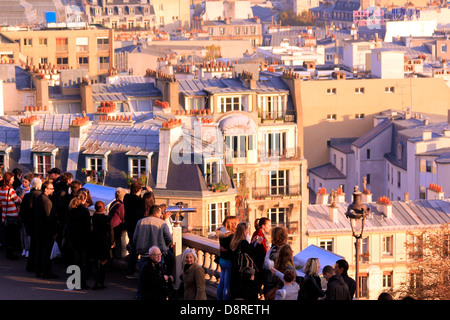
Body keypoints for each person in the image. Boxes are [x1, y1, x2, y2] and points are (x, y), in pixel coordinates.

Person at [133, 204, 172, 299]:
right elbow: (169, 238)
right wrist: (164, 247)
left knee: (142, 276)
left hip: (144, 253)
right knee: (158, 275)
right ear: (156, 213)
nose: (161, 214)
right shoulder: (162, 223)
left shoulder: (140, 222)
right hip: (158, 253)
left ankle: (140, 294)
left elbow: (135, 238)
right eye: (160, 212)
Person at [65, 191, 91, 289]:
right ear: (84, 199)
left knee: (75, 260)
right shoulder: (84, 211)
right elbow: (87, 227)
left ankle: (74, 281)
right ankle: (82, 283)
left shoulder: (71, 209)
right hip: (83, 239)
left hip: (73, 238)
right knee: (83, 262)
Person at [229, 222, 263, 299]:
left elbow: (245, 251)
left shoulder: (234, 242)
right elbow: (252, 253)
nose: (247, 232)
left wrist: (252, 243)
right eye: (247, 230)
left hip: (236, 270)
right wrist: (258, 243)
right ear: (244, 231)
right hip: (244, 270)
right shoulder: (243, 242)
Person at [33, 180, 58, 279]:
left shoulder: (39, 198)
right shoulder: (46, 201)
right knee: (46, 253)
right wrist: (54, 231)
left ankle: (39, 271)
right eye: (51, 188)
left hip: (39, 229)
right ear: (45, 189)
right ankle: (46, 272)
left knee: (40, 251)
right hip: (46, 231)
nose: (53, 190)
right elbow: (49, 218)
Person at [123, 181, 147, 278]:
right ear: (140, 190)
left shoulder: (127, 198)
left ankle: (130, 270)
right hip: (136, 226)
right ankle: (130, 271)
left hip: (129, 225)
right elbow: (143, 204)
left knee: (133, 247)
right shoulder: (138, 200)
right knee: (135, 249)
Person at [90, 201, 115, 290]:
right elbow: (111, 232)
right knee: (103, 262)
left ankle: (97, 282)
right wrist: (112, 242)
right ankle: (101, 282)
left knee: (94, 263)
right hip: (104, 242)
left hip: (94, 242)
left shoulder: (92, 218)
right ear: (103, 208)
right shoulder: (107, 219)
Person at [1, 171, 23, 260]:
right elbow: (19, 200)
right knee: (13, 236)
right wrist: (24, 193)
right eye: (13, 179)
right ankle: (12, 254)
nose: (13, 180)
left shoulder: (1, 189)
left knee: (7, 236)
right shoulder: (11, 191)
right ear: (9, 179)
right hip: (12, 216)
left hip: (4, 216)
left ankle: (8, 253)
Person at [22, 177, 42, 272]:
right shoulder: (40, 196)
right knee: (38, 245)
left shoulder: (27, 196)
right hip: (38, 224)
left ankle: (30, 265)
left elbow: (22, 211)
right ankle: (37, 265)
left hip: (29, 223)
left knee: (32, 245)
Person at [217, 215, 240, 300]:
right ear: (233, 224)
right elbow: (232, 249)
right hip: (228, 261)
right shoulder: (231, 236)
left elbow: (223, 248)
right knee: (227, 285)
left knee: (221, 283)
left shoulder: (222, 234)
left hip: (222, 260)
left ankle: (219, 298)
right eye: (236, 223)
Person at [263, 226, 289, 297]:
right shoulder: (284, 247)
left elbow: (272, 258)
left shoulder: (277, 248)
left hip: (272, 280)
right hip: (278, 280)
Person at [16, 172, 33, 257]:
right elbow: (17, 200)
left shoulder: (31, 190)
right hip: (21, 212)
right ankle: (24, 248)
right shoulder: (19, 189)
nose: (23, 183)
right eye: (22, 181)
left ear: (29, 182)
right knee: (22, 232)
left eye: (25, 182)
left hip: (28, 213)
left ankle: (28, 249)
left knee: (27, 232)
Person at [108, 187, 126, 259]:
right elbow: (123, 217)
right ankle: (117, 258)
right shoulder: (121, 205)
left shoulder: (114, 203)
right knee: (117, 243)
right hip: (116, 227)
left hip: (111, 225)